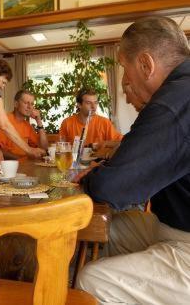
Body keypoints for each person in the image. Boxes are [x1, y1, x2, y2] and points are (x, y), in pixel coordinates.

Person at [75, 16, 190, 304]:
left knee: (92, 280)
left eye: (125, 70)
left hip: (185, 242)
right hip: (172, 226)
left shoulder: (172, 101)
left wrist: (90, 177)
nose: (125, 83)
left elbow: (113, 188)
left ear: (145, 65)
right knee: (108, 230)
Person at [0, 89, 48, 159]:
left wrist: (39, 121)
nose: (29, 107)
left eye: (32, 104)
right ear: (16, 104)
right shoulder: (4, 121)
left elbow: (44, 148)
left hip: (24, 164)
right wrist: (20, 159)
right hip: (9, 165)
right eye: (26, 103)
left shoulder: (27, 125)